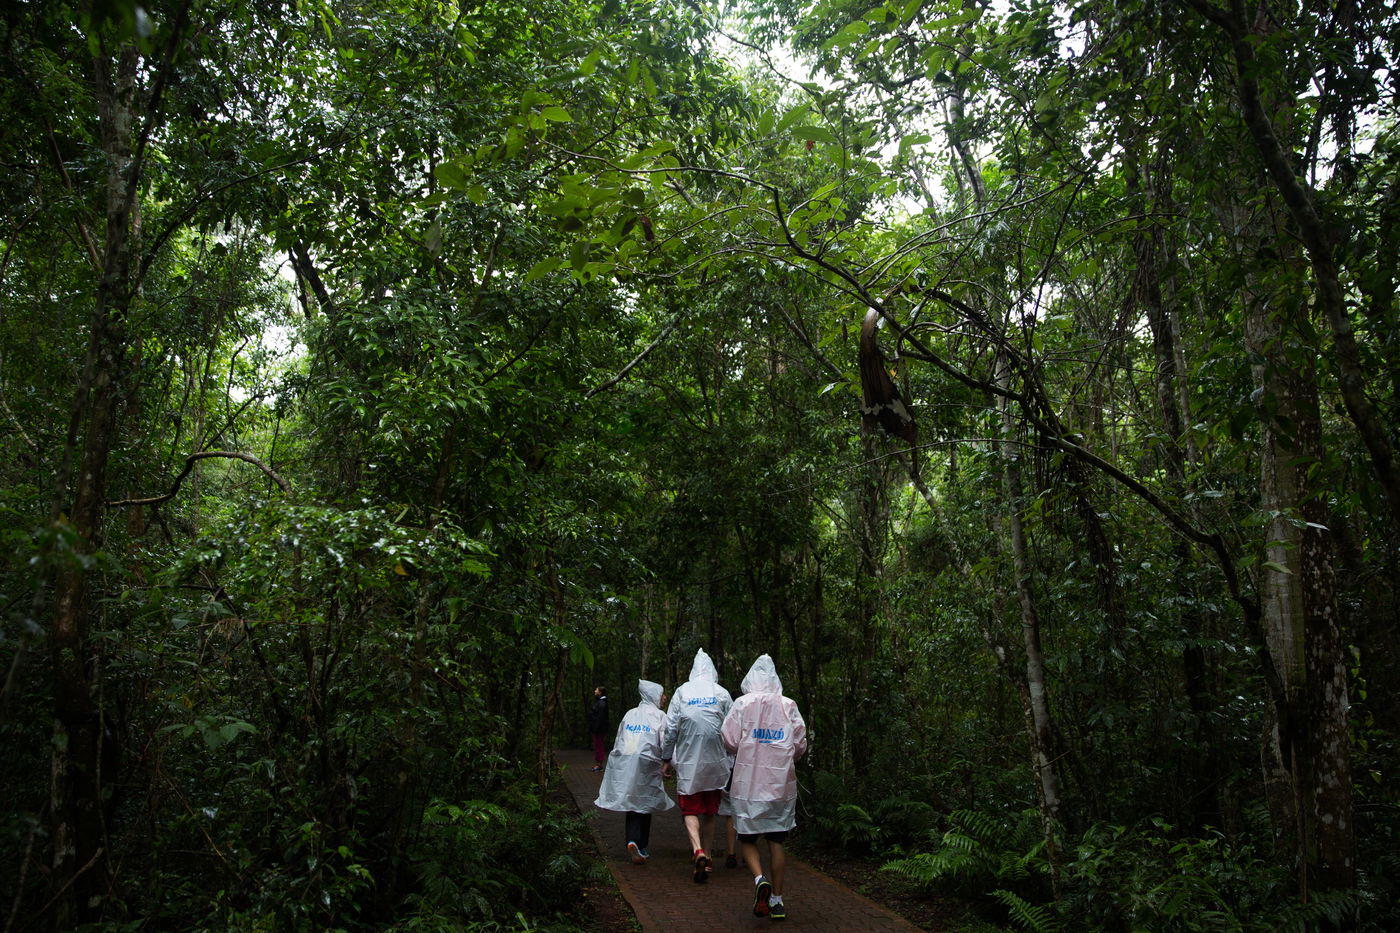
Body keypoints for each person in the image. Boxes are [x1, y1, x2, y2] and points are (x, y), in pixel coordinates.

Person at [721, 654, 807, 921]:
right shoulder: (788, 705)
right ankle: (778, 901)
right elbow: (800, 743)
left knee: (746, 837)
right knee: (776, 841)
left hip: (748, 784)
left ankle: (760, 879)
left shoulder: (742, 704)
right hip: (779, 785)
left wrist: (748, 749)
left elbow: (728, 738)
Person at [660, 647, 733, 883]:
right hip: (716, 763)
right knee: (711, 811)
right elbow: (733, 727)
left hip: (689, 762)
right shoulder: (721, 692)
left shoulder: (682, 691)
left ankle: (698, 850)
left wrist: (666, 758)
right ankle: (709, 857)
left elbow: (671, 728)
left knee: (690, 809)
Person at [593, 679, 675, 864]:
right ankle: (641, 845)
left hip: (627, 761)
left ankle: (632, 840)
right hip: (648, 764)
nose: (664, 698)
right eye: (661, 694)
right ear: (653, 695)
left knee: (632, 800)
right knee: (645, 802)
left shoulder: (630, 714)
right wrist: (669, 762)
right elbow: (665, 741)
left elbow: (621, 738)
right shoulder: (660, 716)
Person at [588, 685, 608, 771]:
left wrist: (596, 729)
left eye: (596, 690)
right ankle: (598, 764)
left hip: (599, 729)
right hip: (598, 728)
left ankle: (599, 765)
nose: (594, 691)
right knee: (597, 746)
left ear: (600, 692)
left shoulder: (602, 703)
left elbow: (600, 718)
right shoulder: (600, 702)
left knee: (599, 746)